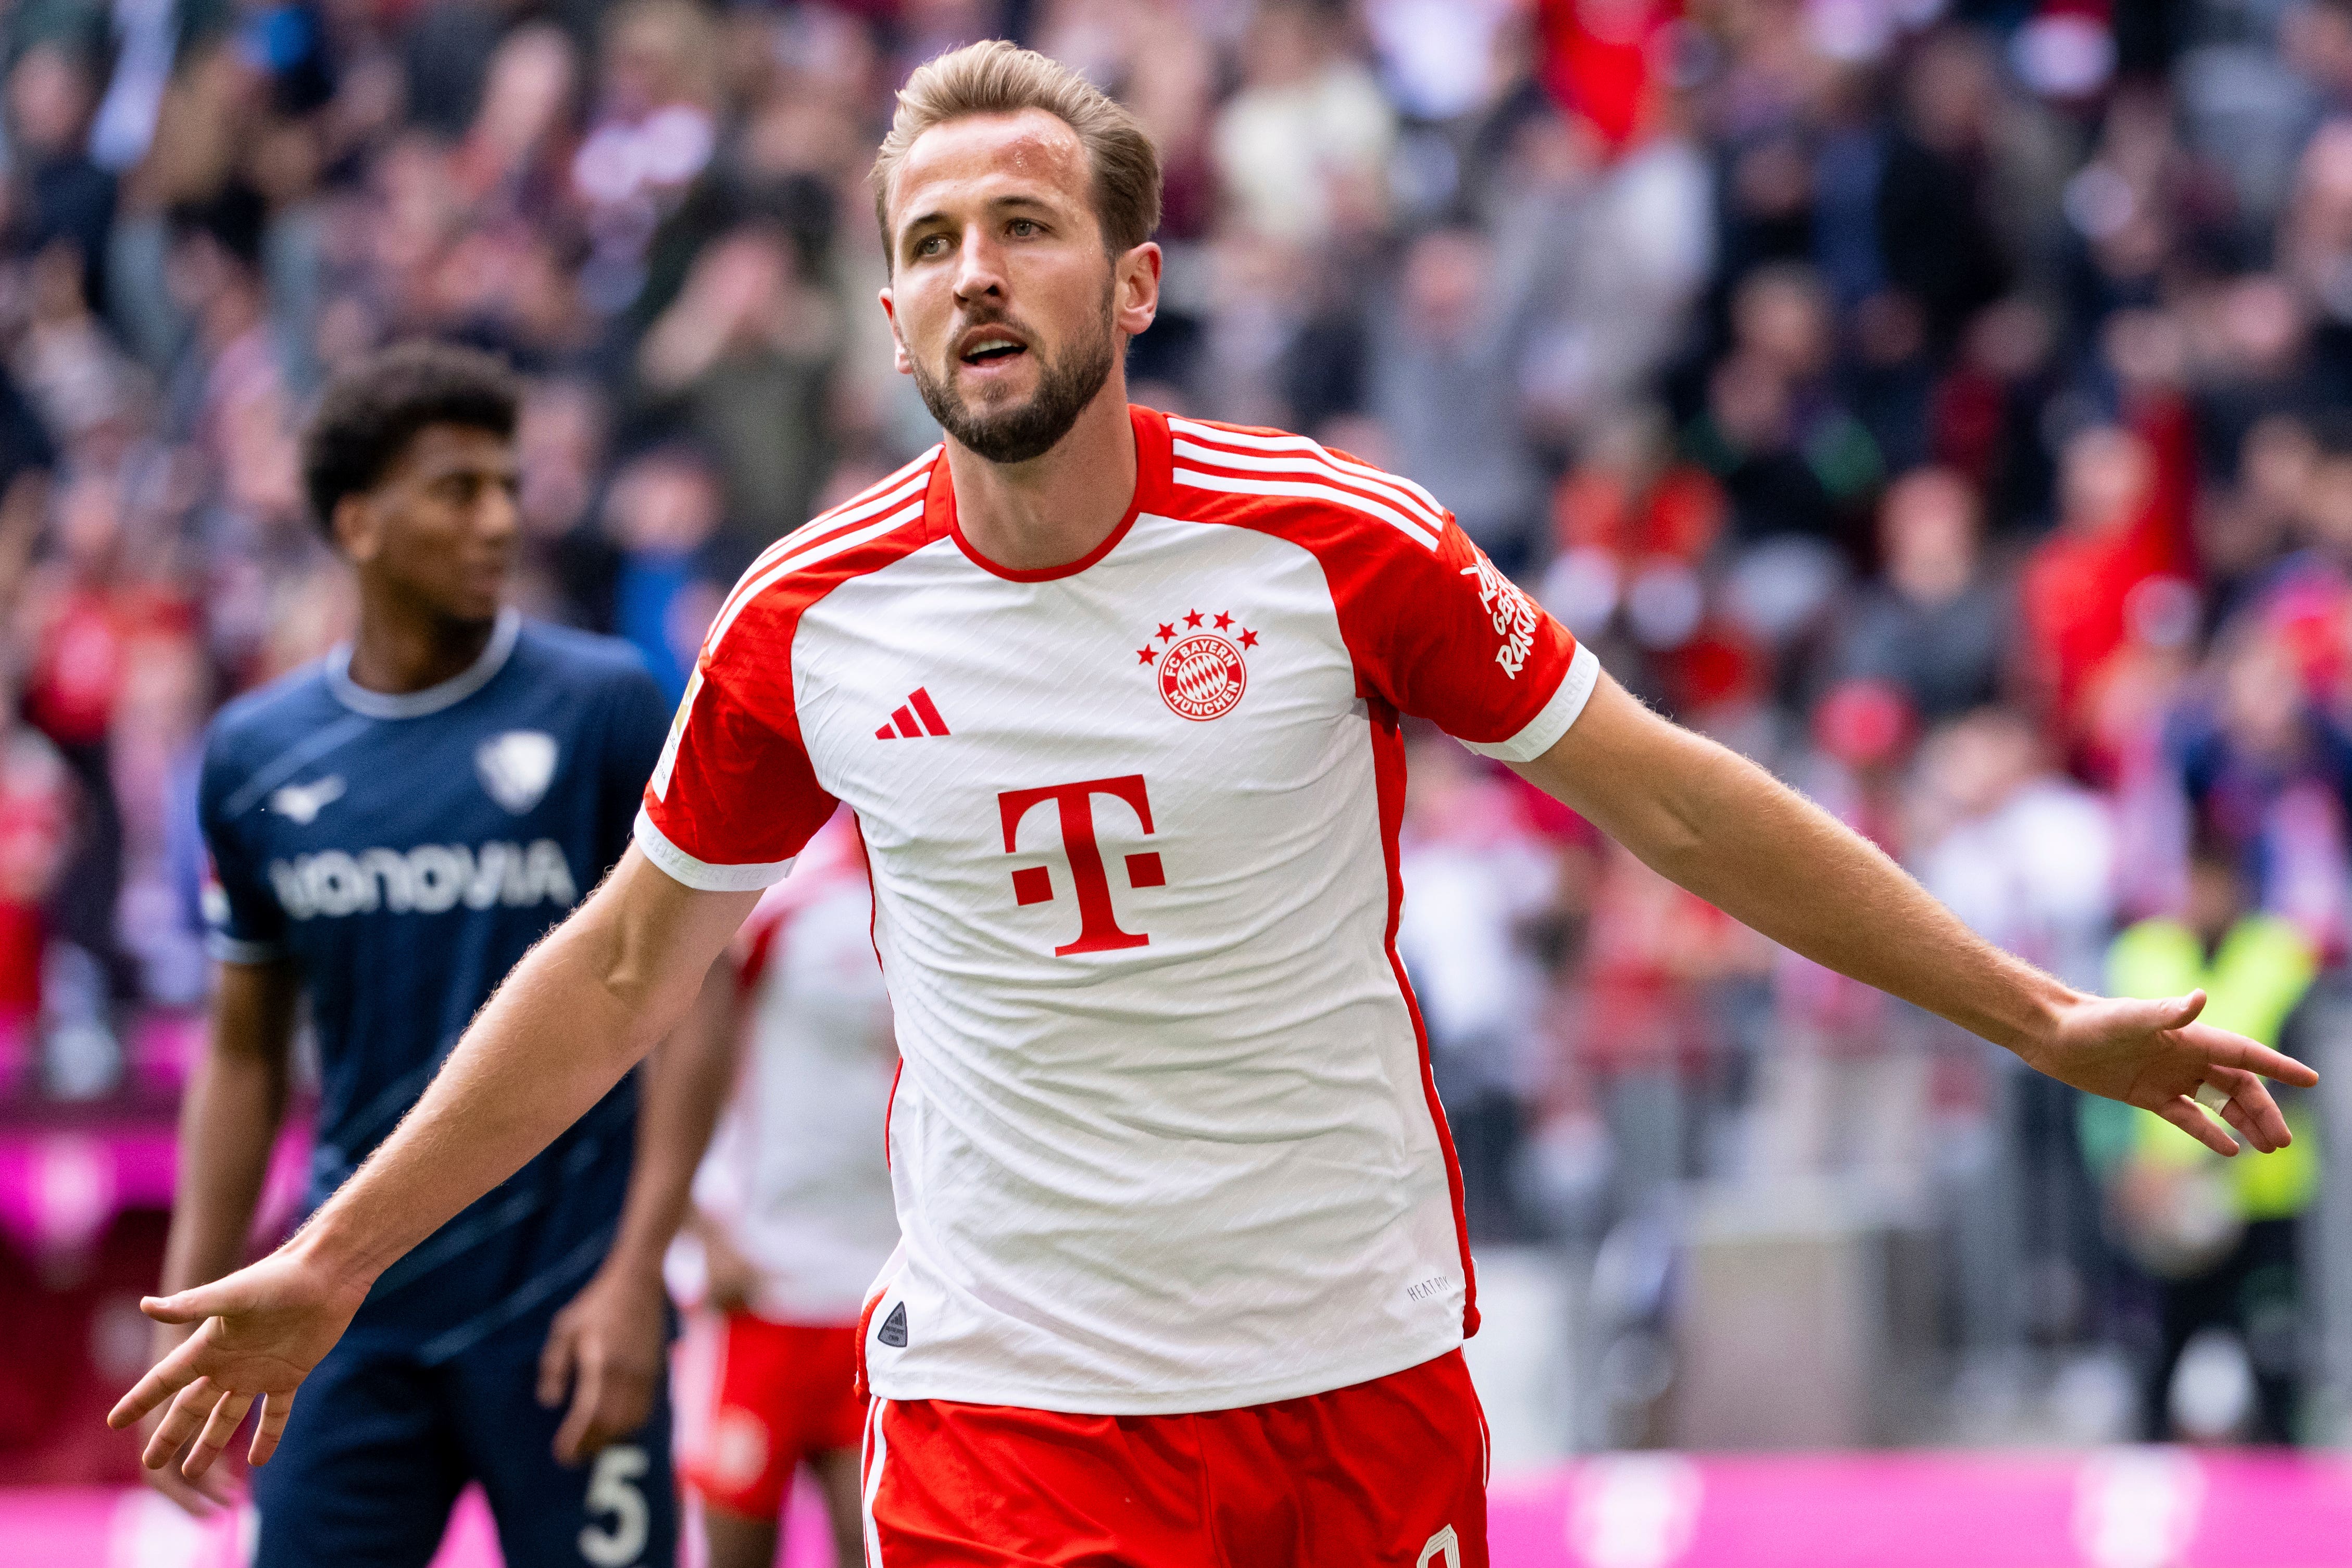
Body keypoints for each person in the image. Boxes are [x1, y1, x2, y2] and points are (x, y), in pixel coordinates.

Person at [114, 44, 2318, 1568]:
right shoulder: (806, 622)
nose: (976, 270)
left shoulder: (1335, 545)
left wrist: (2044, 1018)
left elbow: (1674, 805)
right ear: (889, 312)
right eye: (932, 240)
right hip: (1008, 1401)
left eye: (1024, 226)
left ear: (1135, 282)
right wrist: (332, 1253)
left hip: (1347, 1369)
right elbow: (618, 970)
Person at [144, 341, 717, 1567]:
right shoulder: (256, 756)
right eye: (458, 491)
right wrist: (190, 1304)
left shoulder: (605, 706)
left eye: (507, 487)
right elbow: (242, 1054)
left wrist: (637, 1276)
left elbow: (689, 1004)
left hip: (568, 1305)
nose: (500, 519)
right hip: (351, 1313)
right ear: (357, 522)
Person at [668, 808, 896, 1568]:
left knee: (876, 1546)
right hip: (761, 1284)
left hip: (882, 1297)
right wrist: (698, 1222)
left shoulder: (953, 896)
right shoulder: (780, 895)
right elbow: (673, 1052)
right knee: (733, 1549)